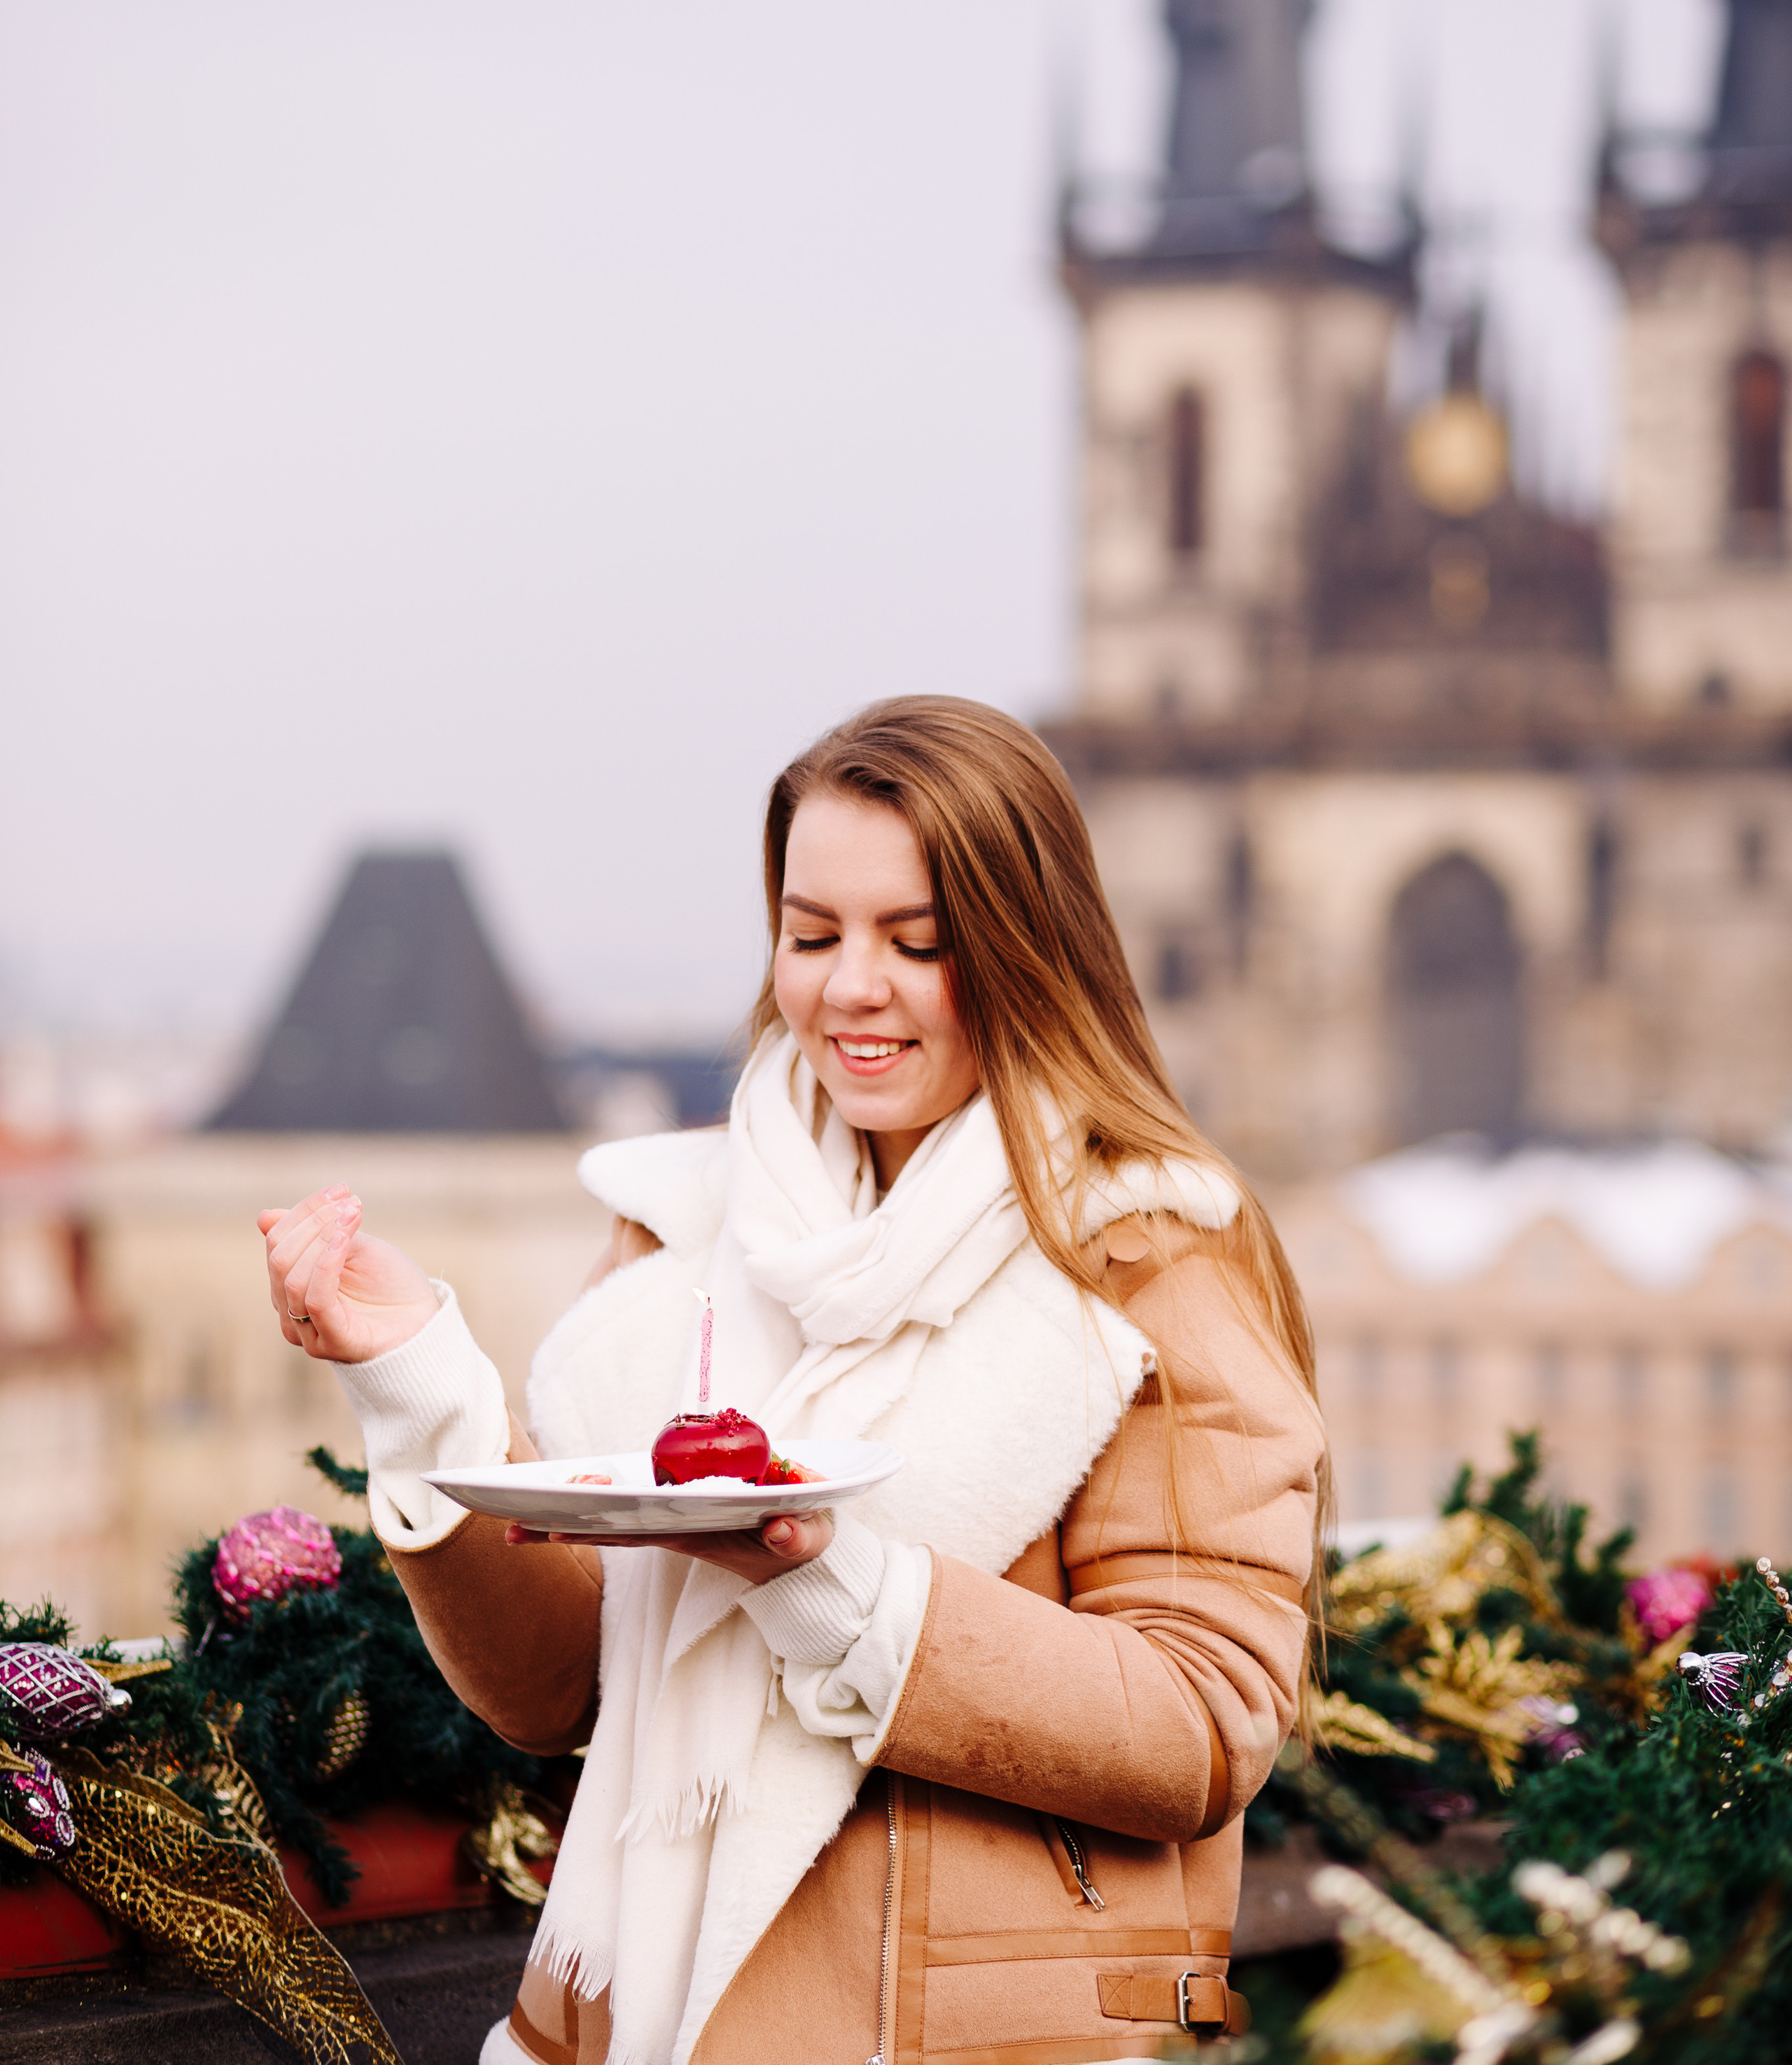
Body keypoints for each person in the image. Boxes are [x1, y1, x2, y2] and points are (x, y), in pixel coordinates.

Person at [261, 696, 1326, 2065]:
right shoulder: (682, 1229)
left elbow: (1202, 1725)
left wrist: (840, 1591)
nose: (849, 988)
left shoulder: (1147, 1257)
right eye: (812, 935)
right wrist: (417, 1383)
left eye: (917, 942)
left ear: (1027, 950)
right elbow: (555, 1691)